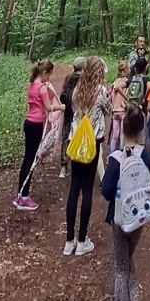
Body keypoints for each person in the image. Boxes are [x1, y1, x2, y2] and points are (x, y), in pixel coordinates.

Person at [101, 103, 150, 301]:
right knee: (128, 259)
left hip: (120, 218)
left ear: (123, 128)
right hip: (140, 218)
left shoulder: (116, 158)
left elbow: (106, 191)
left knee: (120, 268)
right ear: (141, 129)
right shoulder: (144, 155)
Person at [64, 55, 112, 256]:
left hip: (76, 143)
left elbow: (74, 111)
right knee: (87, 189)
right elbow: (108, 110)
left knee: (74, 187)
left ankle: (69, 241)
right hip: (92, 143)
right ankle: (82, 239)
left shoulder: (76, 91)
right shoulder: (100, 92)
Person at [14, 59, 59, 210]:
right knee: (31, 160)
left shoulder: (33, 84)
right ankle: (24, 197)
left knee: (27, 158)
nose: (49, 78)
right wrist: (62, 107)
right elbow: (48, 107)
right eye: (49, 75)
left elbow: (44, 100)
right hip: (35, 125)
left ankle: (21, 194)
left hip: (29, 123)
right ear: (45, 73)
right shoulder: (41, 88)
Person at [59, 56, 86, 179]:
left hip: (68, 110)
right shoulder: (83, 78)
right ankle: (78, 162)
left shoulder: (68, 77)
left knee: (66, 136)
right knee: (78, 135)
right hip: (78, 110)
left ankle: (63, 166)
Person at [110, 60, 131, 152]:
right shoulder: (126, 82)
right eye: (129, 68)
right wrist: (127, 99)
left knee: (114, 136)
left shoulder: (115, 81)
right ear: (126, 70)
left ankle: (111, 155)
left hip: (115, 111)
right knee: (123, 135)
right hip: (123, 111)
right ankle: (122, 156)